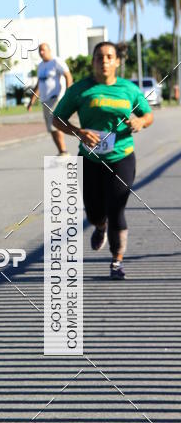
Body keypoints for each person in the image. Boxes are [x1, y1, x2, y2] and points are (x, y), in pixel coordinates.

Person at [53, 41, 153, 280]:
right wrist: (78, 132)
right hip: (90, 159)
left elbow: (147, 115)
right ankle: (100, 226)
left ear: (117, 62)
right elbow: (57, 119)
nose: (104, 61)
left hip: (122, 156)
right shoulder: (80, 89)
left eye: (109, 57)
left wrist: (140, 122)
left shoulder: (129, 89)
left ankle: (117, 261)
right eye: (99, 57)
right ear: (93, 62)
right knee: (94, 211)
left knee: (116, 207)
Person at [27, 42, 73, 155]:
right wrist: (32, 101)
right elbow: (38, 85)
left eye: (43, 50)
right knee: (50, 128)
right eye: (40, 51)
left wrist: (69, 93)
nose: (41, 53)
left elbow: (68, 76)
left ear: (49, 50)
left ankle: (63, 151)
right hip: (45, 100)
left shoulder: (56, 62)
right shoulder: (41, 66)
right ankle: (61, 151)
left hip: (55, 98)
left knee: (55, 124)